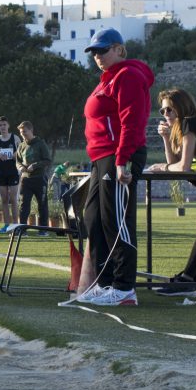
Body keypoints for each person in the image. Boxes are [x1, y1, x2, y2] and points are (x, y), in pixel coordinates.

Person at [75, 28, 153, 307]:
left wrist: (122, 160)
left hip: (119, 154)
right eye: (94, 52)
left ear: (119, 49)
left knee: (116, 220)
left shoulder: (127, 75)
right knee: (94, 219)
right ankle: (105, 283)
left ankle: (124, 288)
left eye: (103, 50)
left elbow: (132, 120)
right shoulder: (106, 80)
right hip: (101, 157)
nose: (98, 56)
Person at [147, 88, 196, 295]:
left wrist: (163, 168)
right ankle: (194, 278)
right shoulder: (189, 124)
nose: (166, 115)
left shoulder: (190, 122)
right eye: (163, 111)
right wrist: (166, 139)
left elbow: (181, 167)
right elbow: (174, 165)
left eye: (169, 110)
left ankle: (189, 279)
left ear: (181, 108)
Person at [16, 120, 52, 234]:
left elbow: (47, 160)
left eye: (25, 132)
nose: (23, 134)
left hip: (39, 178)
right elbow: (17, 161)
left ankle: (43, 230)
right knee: (24, 204)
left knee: (42, 204)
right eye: (21, 133)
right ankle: (22, 229)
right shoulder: (21, 145)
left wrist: (35, 165)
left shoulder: (40, 143)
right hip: (25, 180)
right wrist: (20, 167)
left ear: (31, 130)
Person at [0, 116, 21, 232]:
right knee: (4, 200)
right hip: (1, 173)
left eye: (4, 124)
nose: (2, 127)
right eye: (0, 125)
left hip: (13, 172)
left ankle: (16, 225)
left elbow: (22, 152)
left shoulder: (15, 138)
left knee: (13, 199)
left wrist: (15, 155)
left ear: (8, 125)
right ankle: (6, 225)